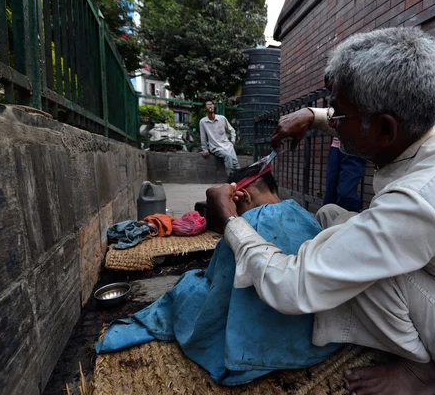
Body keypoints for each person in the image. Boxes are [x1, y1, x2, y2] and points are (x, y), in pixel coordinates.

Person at [206, 27, 435, 395]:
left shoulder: (421, 199)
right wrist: (313, 115)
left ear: (385, 129)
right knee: (330, 217)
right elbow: (362, 121)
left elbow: (293, 287)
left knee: (372, 270)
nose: (333, 122)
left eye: (339, 114)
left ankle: (425, 370)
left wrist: (231, 221)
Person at [96, 165, 340, 385]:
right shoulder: (306, 214)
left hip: (264, 346)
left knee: (191, 287)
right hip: (317, 340)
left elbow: (217, 290)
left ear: (241, 196)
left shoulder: (251, 221)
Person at [324, 136, 368, 212]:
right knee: (330, 195)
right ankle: (332, 222)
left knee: (345, 194)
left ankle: (353, 217)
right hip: (336, 146)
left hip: (355, 147)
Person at [199, 100, 240, 176]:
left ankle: (239, 183)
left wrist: (233, 140)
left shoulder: (222, 118)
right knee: (227, 157)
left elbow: (232, 130)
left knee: (236, 165)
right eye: (208, 105)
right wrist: (205, 149)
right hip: (216, 148)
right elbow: (203, 136)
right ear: (205, 108)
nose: (210, 106)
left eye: (211, 104)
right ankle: (230, 180)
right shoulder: (203, 122)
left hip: (228, 146)